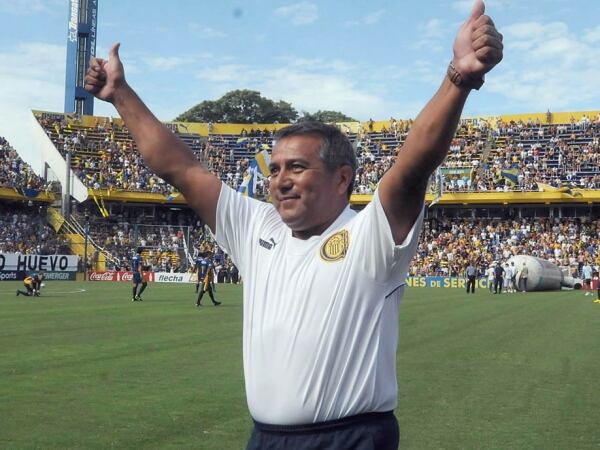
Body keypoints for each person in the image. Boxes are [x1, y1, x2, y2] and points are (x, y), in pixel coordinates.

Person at [85, 1, 502, 447]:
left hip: (350, 438)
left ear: (343, 179)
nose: (280, 180)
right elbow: (179, 168)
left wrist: (459, 78)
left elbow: (412, 166)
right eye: (275, 168)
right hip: (265, 439)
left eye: (297, 167)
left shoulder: (369, 237)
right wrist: (120, 93)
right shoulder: (256, 228)